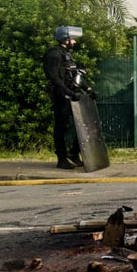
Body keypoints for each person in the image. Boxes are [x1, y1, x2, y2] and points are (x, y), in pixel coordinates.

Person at [43, 26, 96, 169]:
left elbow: (74, 75)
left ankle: (73, 152)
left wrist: (88, 89)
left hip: (72, 95)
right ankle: (61, 159)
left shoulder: (67, 55)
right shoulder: (54, 55)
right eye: (73, 39)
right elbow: (55, 79)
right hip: (61, 96)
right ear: (65, 39)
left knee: (83, 125)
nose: (75, 42)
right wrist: (70, 93)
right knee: (61, 127)